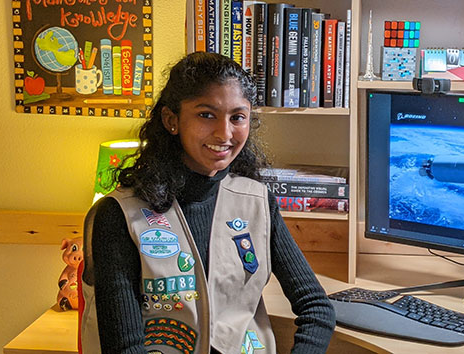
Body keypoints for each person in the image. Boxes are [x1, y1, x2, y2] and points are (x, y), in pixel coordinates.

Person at [79, 52, 336, 353]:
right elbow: (124, 347)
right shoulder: (120, 215)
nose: (224, 133)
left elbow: (317, 309)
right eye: (206, 115)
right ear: (171, 120)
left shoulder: (258, 203)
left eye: (237, 117)